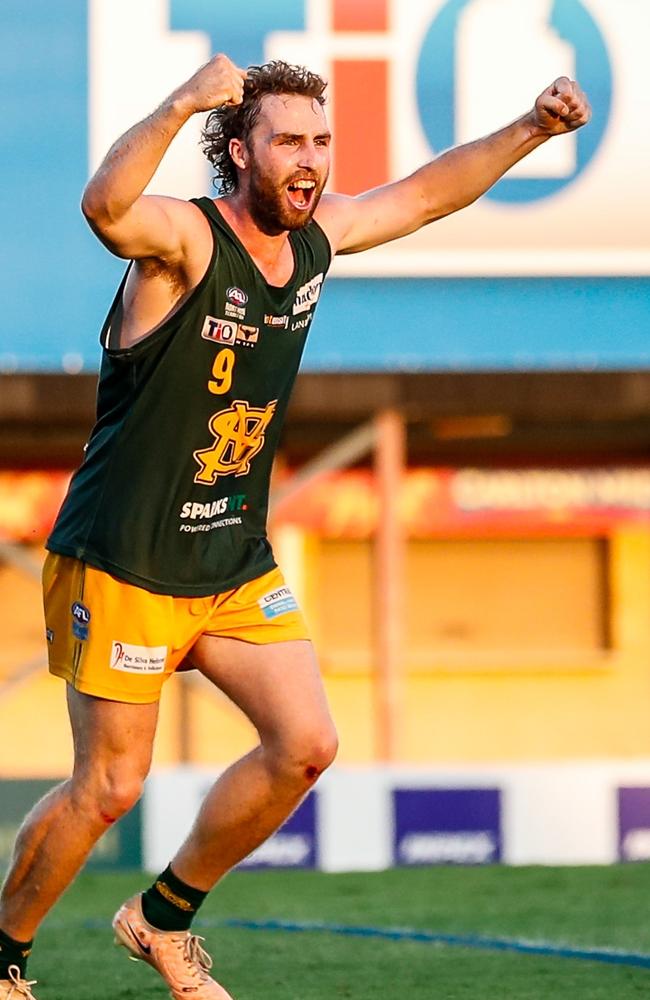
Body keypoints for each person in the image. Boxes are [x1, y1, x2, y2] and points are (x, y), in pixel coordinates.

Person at [0, 54, 590, 999]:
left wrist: (532, 128)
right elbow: (106, 208)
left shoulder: (317, 239)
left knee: (305, 743)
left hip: (229, 555)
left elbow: (428, 195)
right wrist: (180, 99)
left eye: (320, 140)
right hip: (125, 556)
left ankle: (160, 920)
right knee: (110, 786)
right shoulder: (185, 243)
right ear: (238, 151)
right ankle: (4, 960)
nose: (310, 159)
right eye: (288, 141)